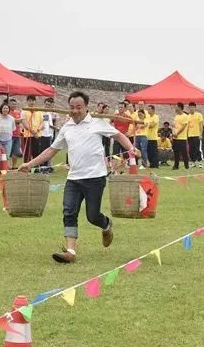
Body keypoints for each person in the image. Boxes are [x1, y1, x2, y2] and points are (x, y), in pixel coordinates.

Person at [18, 91, 139, 264]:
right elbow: (52, 150)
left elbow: (118, 135)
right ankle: (70, 251)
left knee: (92, 216)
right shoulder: (66, 128)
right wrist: (30, 164)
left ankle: (106, 225)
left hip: (95, 178)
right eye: (72, 107)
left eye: (79, 107)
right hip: (73, 179)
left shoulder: (97, 123)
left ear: (86, 107)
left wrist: (131, 148)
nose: (75, 111)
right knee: (69, 212)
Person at [172, 103, 189, 170]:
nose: (175, 108)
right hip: (175, 137)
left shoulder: (185, 116)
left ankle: (186, 166)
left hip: (182, 137)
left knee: (184, 152)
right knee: (176, 152)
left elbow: (183, 127)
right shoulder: (176, 116)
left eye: (176, 106)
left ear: (180, 107)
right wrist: (174, 133)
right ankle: (176, 166)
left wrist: (177, 133)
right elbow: (173, 126)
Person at [187, 103, 204, 168]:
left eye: (192, 107)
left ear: (195, 108)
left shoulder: (199, 115)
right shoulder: (188, 116)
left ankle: (200, 162)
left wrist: (200, 134)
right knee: (191, 150)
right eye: (190, 107)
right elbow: (187, 127)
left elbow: (201, 125)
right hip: (190, 135)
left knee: (198, 149)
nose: (191, 108)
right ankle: (193, 162)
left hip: (197, 135)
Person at [144, 105, 160, 169]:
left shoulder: (156, 117)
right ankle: (151, 163)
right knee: (149, 151)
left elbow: (151, 125)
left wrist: (146, 125)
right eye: (147, 109)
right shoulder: (147, 117)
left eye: (149, 109)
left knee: (154, 152)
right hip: (147, 137)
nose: (148, 111)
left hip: (153, 137)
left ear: (153, 110)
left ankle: (155, 164)